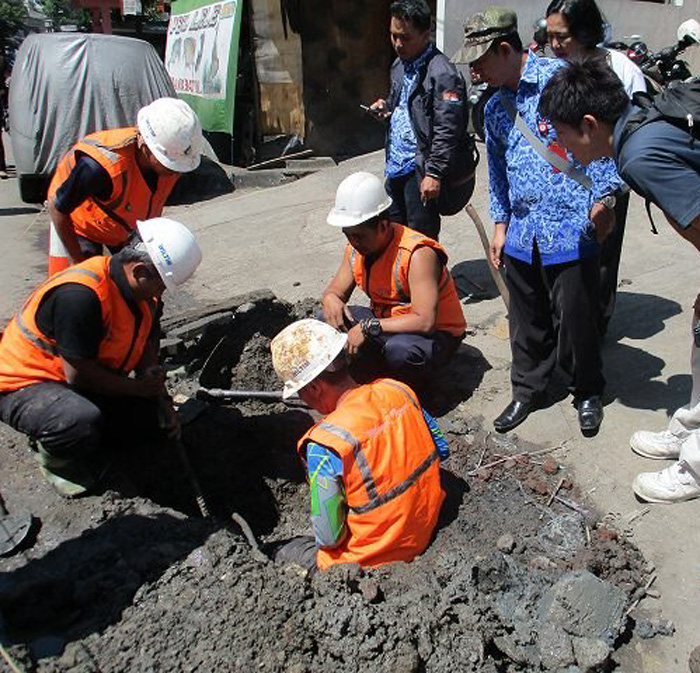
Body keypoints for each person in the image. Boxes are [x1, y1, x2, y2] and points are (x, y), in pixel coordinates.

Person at [452, 8, 623, 435]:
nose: (475, 70)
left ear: (505, 49)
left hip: (570, 222)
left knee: (577, 316)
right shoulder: (493, 107)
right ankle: (528, 390)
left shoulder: (560, 78)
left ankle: (586, 390)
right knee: (526, 320)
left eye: (480, 60)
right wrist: (499, 223)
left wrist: (605, 196)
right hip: (523, 230)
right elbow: (498, 170)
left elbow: (599, 135)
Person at [538, 57, 700, 502]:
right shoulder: (641, 122)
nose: (565, 149)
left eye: (565, 136)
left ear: (589, 125)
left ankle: (696, 468)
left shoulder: (640, 156)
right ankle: (690, 426)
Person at [0, 218, 202, 497]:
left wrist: (159, 395)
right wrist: (139, 389)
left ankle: (95, 442)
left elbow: (145, 342)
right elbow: (78, 375)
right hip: (26, 383)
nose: (162, 293)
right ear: (140, 271)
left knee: (152, 422)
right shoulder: (81, 296)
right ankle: (56, 457)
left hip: (81, 380)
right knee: (78, 420)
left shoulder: (141, 294)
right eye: (162, 285)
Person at [269, 319, 446, 571]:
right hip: (425, 524)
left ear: (315, 387)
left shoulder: (326, 443)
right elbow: (441, 448)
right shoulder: (398, 389)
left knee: (285, 552)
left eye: (301, 393)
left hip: (373, 559)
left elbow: (330, 537)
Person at [546, 0, 646, 334]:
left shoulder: (619, 68)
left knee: (602, 258)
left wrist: (611, 194)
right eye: (551, 38)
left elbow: (636, 128)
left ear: (585, 32)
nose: (556, 46)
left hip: (608, 184)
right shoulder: (553, 70)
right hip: (565, 181)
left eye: (562, 37)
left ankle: (595, 328)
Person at [321, 171, 466, 391]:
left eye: (358, 236)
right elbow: (335, 292)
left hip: (435, 335)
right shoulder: (356, 248)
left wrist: (369, 328)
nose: (353, 242)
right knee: (325, 319)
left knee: (400, 352)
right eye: (348, 235)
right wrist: (330, 299)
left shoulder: (417, 254)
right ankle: (373, 376)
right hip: (387, 325)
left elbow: (424, 321)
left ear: (383, 225)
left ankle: (417, 393)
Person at [46, 97, 203, 276]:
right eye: (170, 165)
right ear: (146, 147)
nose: (177, 173)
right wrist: (78, 264)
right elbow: (58, 208)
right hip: (79, 225)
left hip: (124, 227)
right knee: (77, 289)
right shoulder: (99, 167)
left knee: (141, 284)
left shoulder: (172, 159)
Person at [369, 0, 471, 240]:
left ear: (426, 34)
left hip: (420, 169)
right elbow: (401, 106)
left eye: (405, 37)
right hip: (396, 167)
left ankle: (430, 277)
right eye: (393, 36)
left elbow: (448, 129)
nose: (397, 43)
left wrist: (434, 173)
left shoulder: (442, 72)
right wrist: (385, 110)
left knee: (420, 238)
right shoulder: (399, 66)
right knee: (393, 234)